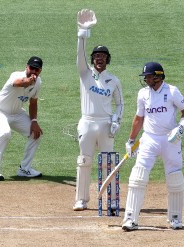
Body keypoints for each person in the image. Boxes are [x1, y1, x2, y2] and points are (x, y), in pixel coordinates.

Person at [121, 61, 184, 231]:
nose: (146, 79)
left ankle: (175, 218)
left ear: (158, 76)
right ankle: (130, 218)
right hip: (149, 139)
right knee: (138, 176)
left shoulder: (172, 91)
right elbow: (139, 118)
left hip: (170, 139)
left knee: (174, 176)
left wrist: (180, 128)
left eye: (149, 76)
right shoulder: (143, 94)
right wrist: (131, 140)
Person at [72, 9, 124, 211]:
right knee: (84, 161)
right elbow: (80, 56)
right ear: (92, 59)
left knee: (108, 163)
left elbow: (120, 104)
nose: (99, 58)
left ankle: (110, 201)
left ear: (107, 59)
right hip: (87, 122)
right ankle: (81, 200)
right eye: (96, 56)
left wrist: (116, 121)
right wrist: (82, 33)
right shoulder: (85, 74)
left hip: (105, 124)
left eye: (103, 56)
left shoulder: (114, 80)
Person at [0, 56, 45, 181]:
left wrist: (34, 121)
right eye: (31, 68)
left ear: (40, 71)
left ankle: (24, 169)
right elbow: (18, 82)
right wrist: (29, 81)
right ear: (26, 67)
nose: (34, 72)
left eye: (37, 70)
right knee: (5, 133)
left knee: (36, 134)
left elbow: (33, 103)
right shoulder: (16, 75)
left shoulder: (38, 82)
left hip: (17, 113)